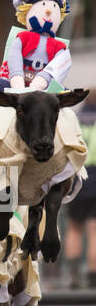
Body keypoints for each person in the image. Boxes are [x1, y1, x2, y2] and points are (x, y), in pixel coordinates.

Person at [0, 0, 71, 92]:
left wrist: (42, 80)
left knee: (66, 92)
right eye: (43, 4)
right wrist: (17, 80)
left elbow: (58, 66)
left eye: (54, 6)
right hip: (18, 82)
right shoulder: (23, 38)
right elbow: (14, 58)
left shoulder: (59, 47)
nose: (49, 11)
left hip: (43, 87)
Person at [64, 89, 96, 288]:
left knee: (73, 228)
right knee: (94, 230)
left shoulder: (74, 119)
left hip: (77, 179)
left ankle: (73, 276)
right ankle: (93, 279)